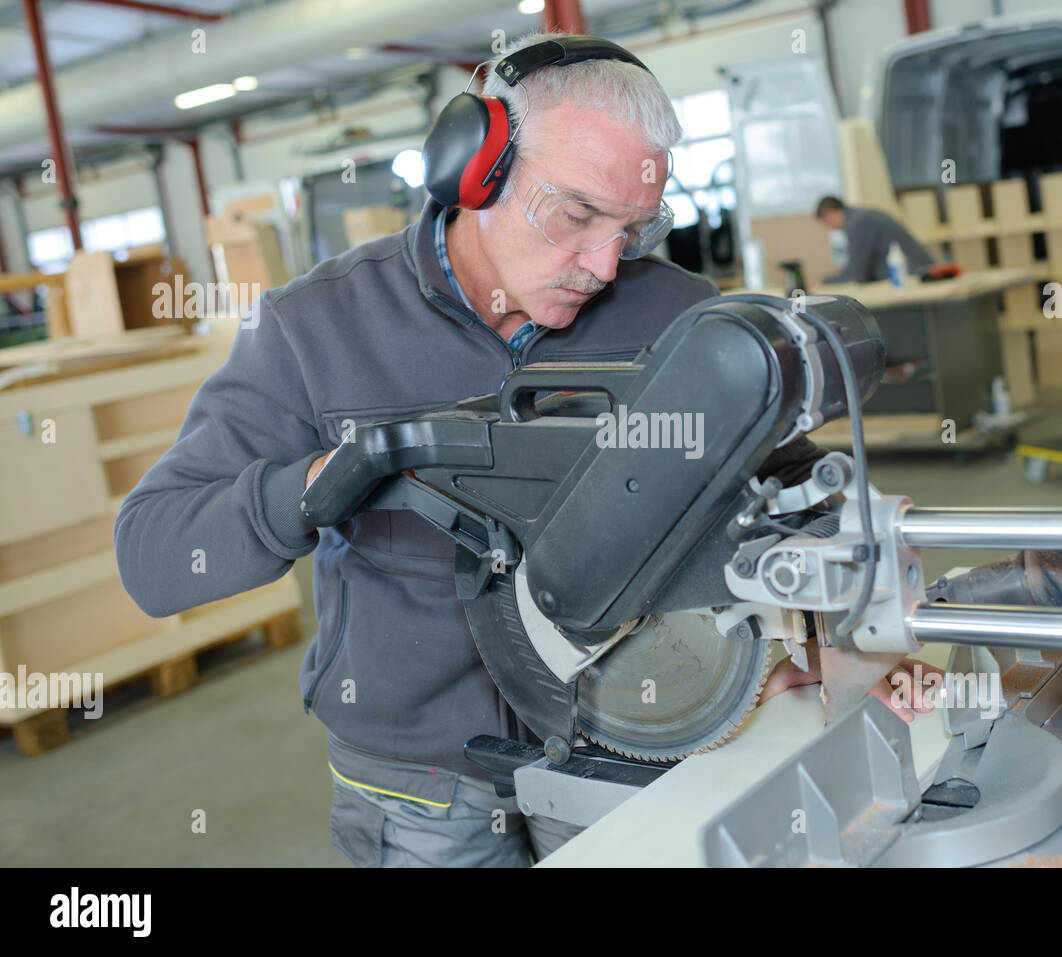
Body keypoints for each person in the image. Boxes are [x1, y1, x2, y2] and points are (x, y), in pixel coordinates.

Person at [115, 32, 929, 868]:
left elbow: (790, 493)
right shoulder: (315, 327)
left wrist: (840, 644)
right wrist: (329, 480)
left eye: (634, 229)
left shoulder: (679, 318)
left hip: (641, 742)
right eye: (577, 214)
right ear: (475, 169)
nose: (604, 263)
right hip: (422, 786)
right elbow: (156, 554)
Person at [815, 196, 933, 283]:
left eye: (826, 223)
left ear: (830, 214)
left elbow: (855, 274)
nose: (830, 228)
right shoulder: (861, 216)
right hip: (912, 272)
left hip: (912, 275)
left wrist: (823, 282)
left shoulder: (858, 223)